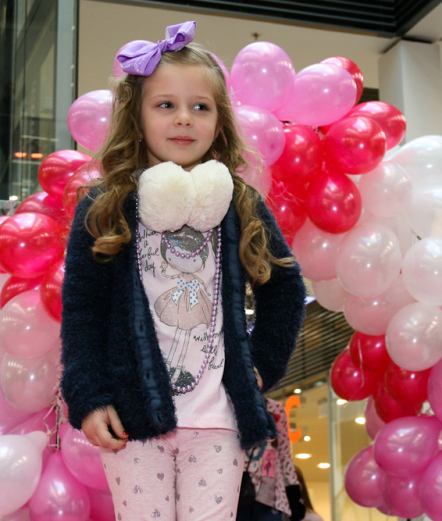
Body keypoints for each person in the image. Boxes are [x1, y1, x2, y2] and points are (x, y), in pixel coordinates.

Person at [59, 21, 306, 520]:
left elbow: (285, 287)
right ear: (138, 115)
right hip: (133, 420)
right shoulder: (104, 209)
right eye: (165, 104)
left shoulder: (240, 204)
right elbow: (82, 312)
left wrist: (260, 365)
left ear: (219, 121)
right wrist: (88, 396)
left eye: (201, 106)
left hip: (219, 422)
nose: (184, 120)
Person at [237, 399, 305, 521]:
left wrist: (294, 497)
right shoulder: (235, 403)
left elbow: (285, 456)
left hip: (272, 498)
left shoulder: (276, 409)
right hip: (240, 495)